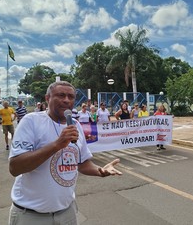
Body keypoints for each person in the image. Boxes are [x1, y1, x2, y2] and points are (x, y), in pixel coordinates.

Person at [8, 81, 121, 225]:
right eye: (61, 95)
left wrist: (100, 171)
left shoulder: (75, 125)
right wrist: (57, 144)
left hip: (66, 212)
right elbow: (15, 167)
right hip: (31, 215)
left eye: (71, 96)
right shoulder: (31, 121)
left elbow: (82, 162)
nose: (67, 100)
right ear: (47, 98)